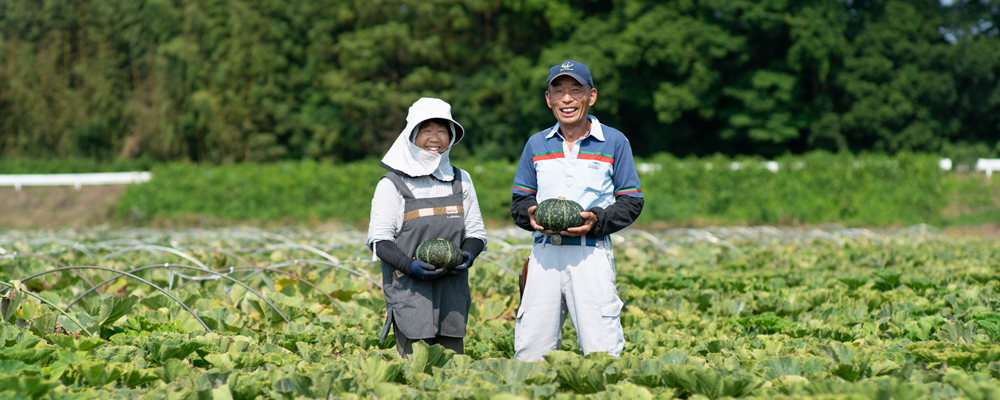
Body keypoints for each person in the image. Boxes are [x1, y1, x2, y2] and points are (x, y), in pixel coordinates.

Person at [510, 60, 644, 362]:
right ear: (548, 99)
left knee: (602, 350)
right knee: (531, 348)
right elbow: (519, 201)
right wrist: (530, 216)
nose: (566, 99)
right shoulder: (535, 144)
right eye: (558, 92)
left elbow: (631, 201)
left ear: (591, 95)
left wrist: (597, 220)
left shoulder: (614, 141)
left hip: (590, 252)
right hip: (544, 253)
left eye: (575, 90)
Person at [367, 97, 488, 358]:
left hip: (452, 292)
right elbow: (380, 240)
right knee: (416, 369)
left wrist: (467, 255)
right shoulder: (393, 183)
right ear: (411, 134)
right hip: (410, 291)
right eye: (427, 130)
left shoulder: (461, 179)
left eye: (442, 130)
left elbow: (476, 233)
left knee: (452, 368)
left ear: (452, 136)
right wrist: (409, 266)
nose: (435, 137)